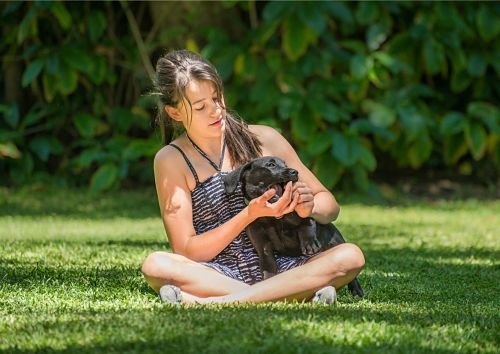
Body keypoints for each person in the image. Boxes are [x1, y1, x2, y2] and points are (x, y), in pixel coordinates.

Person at [141, 49, 364, 305]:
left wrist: (309, 207)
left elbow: (331, 206)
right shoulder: (171, 159)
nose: (216, 111)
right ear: (175, 113)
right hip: (218, 271)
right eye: (201, 106)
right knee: (156, 264)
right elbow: (187, 250)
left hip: (288, 262)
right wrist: (249, 215)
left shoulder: (263, 138)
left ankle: (213, 302)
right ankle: (288, 294)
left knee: (351, 256)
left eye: (217, 98)